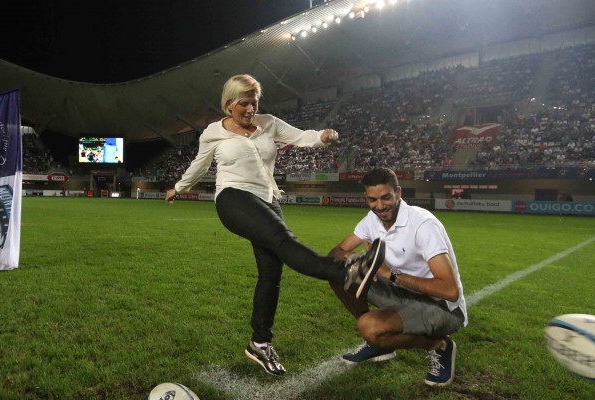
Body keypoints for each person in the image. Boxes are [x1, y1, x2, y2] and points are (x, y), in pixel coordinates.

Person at [164, 74, 380, 376]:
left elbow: (301, 137)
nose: (251, 108)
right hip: (233, 198)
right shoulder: (213, 133)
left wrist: (322, 136)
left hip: (267, 199)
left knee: (271, 274)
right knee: (283, 241)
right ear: (229, 104)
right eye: (244, 103)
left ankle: (260, 343)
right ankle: (346, 270)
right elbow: (200, 164)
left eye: (254, 102)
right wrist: (180, 187)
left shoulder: (268, 123)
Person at [327, 167, 468, 387]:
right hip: (404, 295)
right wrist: (357, 259)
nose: (380, 206)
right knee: (337, 273)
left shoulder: (422, 224)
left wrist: (391, 275)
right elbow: (335, 254)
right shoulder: (371, 220)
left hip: (442, 307)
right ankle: (379, 342)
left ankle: (440, 345)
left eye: (386, 197)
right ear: (366, 198)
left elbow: (450, 291)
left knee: (369, 327)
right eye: (373, 200)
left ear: (398, 193)